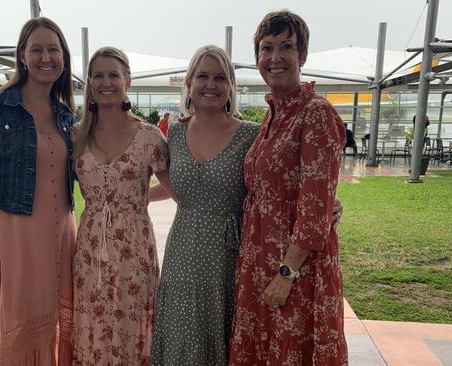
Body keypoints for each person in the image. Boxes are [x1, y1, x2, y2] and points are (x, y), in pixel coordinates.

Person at [229, 11, 349, 365]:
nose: (275, 57)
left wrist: (286, 273)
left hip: (297, 269)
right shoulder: (273, 114)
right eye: (267, 48)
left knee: (290, 350)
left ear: (303, 56)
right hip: (259, 259)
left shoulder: (315, 113)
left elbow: (314, 208)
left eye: (287, 47)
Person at [0, 17, 76, 365]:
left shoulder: (66, 116)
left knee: (60, 320)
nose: (46, 57)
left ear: (63, 57)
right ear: (22, 56)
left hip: (61, 234)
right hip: (13, 235)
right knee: (20, 322)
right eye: (37, 49)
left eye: (53, 49)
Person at [150, 45, 260, 365]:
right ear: (189, 82)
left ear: (230, 87)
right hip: (182, 247)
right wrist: (133, 196)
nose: (210, 84)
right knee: (180, 330)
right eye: (202, 76)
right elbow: (178, 188)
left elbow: (272, 186)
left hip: (227, 252)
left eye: (219, 77)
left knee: (220, 329)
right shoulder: (176, 130)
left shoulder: (251, 135)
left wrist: (326, 203)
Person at [71, 46, 171, 365]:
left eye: (114, 75)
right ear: (89, 82)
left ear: (127, 79)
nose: (106, 82)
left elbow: (176, 190)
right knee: (93, 327)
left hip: (135, 250)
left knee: (134, 327)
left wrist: (138, 200)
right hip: (90, 251)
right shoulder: (75, 136)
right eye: (98, 75)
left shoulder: (150, 137)